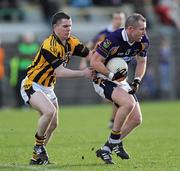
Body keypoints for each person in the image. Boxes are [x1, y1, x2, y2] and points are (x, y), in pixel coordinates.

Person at [20, 11, 93, 165]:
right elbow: (59, 72)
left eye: (70, 26)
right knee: (49, 112)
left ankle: (36, 157)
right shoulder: (49, 45)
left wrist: (104, 61)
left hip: (48, 87)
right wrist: (83, 73)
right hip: (32, 84)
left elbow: (90, 55)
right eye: (65, 26)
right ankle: (38, 146)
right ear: (55, 27)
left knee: (53, 124)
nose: (69, 29)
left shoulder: (71, 42)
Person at [90, 13, 149, 164]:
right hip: (102, 78)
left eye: (145, 28)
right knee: (128, 103)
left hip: (120, 79)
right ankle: (115, 142)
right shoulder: (113, 38)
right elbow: (95, 62)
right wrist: (110, 74)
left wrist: (136, 80)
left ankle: (107, 148)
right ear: (130, 29)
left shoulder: (143, 41)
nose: (144, 32)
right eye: (141, 29)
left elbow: (141, 62)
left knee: (136, 119)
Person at [80, 11, 126, 128]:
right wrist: (83, 61)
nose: (118, 21)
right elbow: (89, 45)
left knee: (122, 97)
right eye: (116, 18)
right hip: (103, 69)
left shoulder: (126, 35)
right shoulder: (104, 33)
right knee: (118, 98)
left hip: (118, 69)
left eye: (120, 18)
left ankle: (112, 121)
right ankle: (113, 119)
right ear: (112, 19)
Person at [10, 32, 39, 107]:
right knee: (20, 86)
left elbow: (36, 56)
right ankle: (21, 104)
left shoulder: (36, 46)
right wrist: (29, 56)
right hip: (21, 70)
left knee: (33, 87)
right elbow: (18, 55)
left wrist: (24, 56)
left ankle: (32, 104)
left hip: (32, 71)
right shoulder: (20, 46)